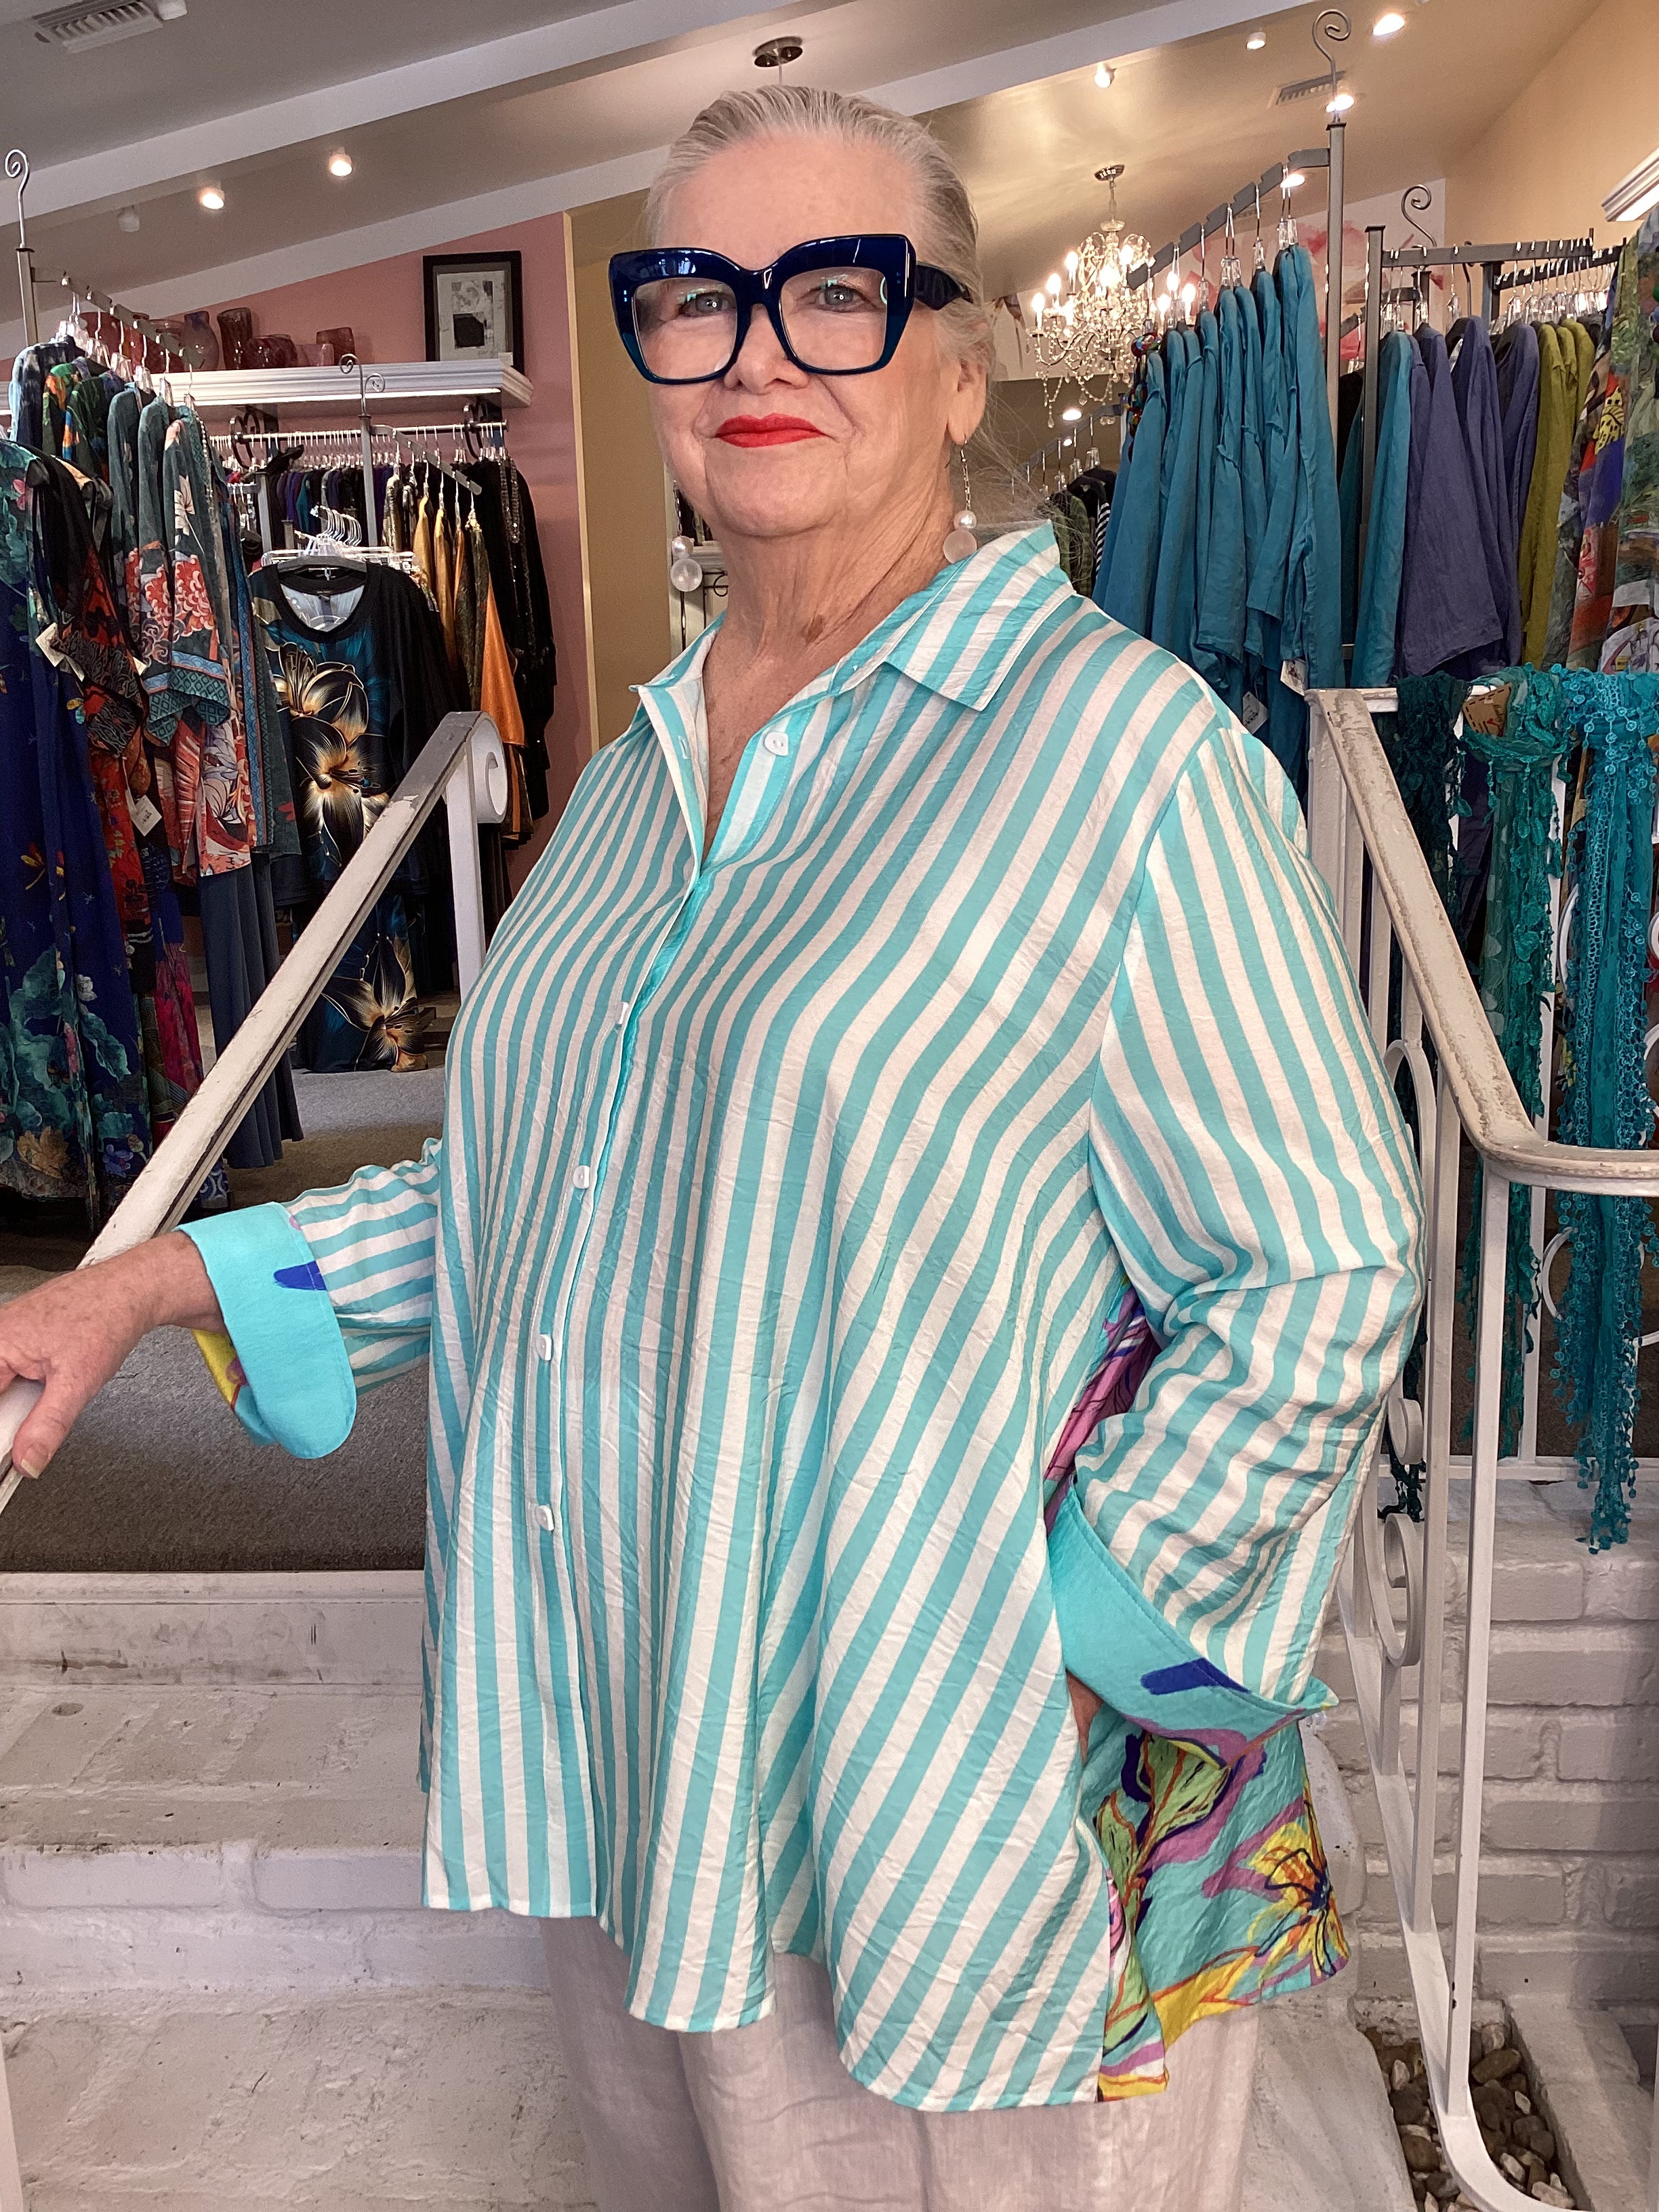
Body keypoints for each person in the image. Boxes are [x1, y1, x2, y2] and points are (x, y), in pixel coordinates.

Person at [0, 83, 1422, 2212]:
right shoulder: (642, 773)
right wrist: (151, 1284)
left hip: (930, 1817)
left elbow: (1321, 1263)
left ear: (958, 367)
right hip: (642, 1755)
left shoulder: (1121, 761)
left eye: (835, 291)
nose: (758, 349)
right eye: (694, 295)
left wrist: (1058, 1628)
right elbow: (544, 1200)